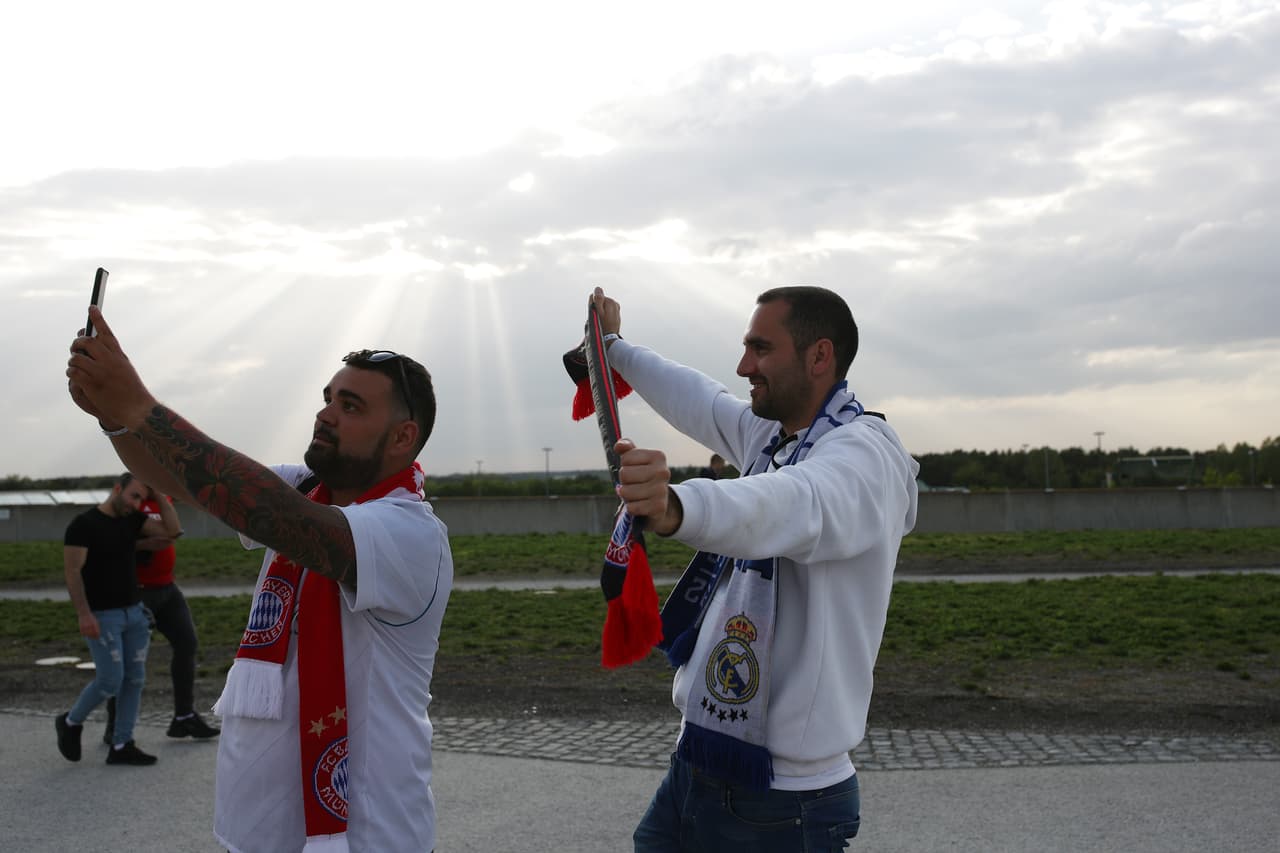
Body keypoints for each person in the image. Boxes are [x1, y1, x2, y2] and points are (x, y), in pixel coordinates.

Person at [67, 308, 454, 853]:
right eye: (328, 398)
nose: (325, 414)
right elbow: (183, 477)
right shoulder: (308, 488)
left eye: (350, 406)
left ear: (402, 436)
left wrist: (139, 406)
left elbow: (267, 510)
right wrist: (114, 417)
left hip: (369, 837)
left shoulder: (411, 532)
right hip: (254, 833)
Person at [592, 285, 919, 852]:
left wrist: (677, 506)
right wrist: (613, 348)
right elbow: (700, 398)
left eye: (761, 349)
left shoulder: (866, 457)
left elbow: (794, 503)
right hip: (696, 763)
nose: (744, 366)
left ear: (819, 356)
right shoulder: (774, 438)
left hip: (787, 802)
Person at [56, 472, 182, 766]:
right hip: (103, 616)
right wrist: (84, 614)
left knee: (134, 679)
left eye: (141, 498)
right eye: (133, 496)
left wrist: (158, 494)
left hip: (134, 613)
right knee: (110, 680)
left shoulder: (132, 520)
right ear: (117, 489)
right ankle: (71, 721)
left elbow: (173, 532)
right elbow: (72, 573)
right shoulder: (83, 525)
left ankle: (122, 743)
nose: (137, 503)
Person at [102, 491, 220, 746]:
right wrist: (144, 545)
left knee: (187, 643)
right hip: (135, 591)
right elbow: (106, 541)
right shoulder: (127, 497)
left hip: (167, 589)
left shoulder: (163, 496)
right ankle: (115, 724)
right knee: (129, 658)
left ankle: (184, 717)